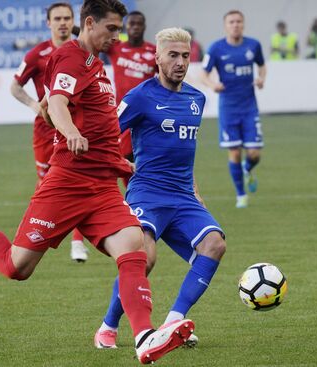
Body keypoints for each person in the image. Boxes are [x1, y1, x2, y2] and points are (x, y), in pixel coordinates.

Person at [0, 0, 194, 364]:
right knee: (16, 267)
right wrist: (70, 133)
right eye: (111, 28)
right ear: (90, 23)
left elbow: (88, 118)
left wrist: (120, 164)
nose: (117, 36)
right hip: (67, 181)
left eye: (119, 29)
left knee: (136, 249)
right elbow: (58, 103)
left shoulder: (95, 65)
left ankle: (144, 336)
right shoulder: (70, 57)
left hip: (100, 186)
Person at [93, 27, 226, 350]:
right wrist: (121, 166)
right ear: (157, 58)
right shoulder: (139, 96)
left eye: (185, 56)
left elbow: (185, 150)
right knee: (143, 258)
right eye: (173, 55)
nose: (180, 62)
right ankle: (108, 327)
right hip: (147, 193)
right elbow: (107, 133)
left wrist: (193, 187)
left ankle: (172, 322)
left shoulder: (197, 98)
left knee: (214, 244)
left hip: (182, 196)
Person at [11, 2, 89, 263]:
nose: (63, 22)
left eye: (67, 18)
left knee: (78, 178)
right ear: (49, 23)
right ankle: (34, 235)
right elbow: (15, 86)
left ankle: (77, 242)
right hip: (46, 129)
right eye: (57, 18)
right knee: (46, 182)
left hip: (76, 125)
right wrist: (35, 106)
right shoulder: (38, 54)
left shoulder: (82, 50)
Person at [201, 10, 266, 208]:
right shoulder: (216, 48)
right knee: (235, 153)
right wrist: (212, 85)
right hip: (228, 108)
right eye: (231, 22)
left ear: (243, 24)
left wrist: (262, 78)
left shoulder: (253, 45)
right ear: (225, 25)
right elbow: (203, 72)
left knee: (254, 153)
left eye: (238, 21)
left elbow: (262, 66)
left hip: (249, 108)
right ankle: (241, 195)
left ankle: (247, 169)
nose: (235, 25)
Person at [104, 10, 156, 187]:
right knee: (124, 156)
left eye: (138, 24)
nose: (134, 27)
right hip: (123, 113)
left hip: (148, 116)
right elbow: (90, 34)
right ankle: (133, 196)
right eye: (131, 24)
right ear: (126, 26)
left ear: (144, 27)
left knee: (147, 160)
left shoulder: (154, 52)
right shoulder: (116, 47)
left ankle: (142, 197)